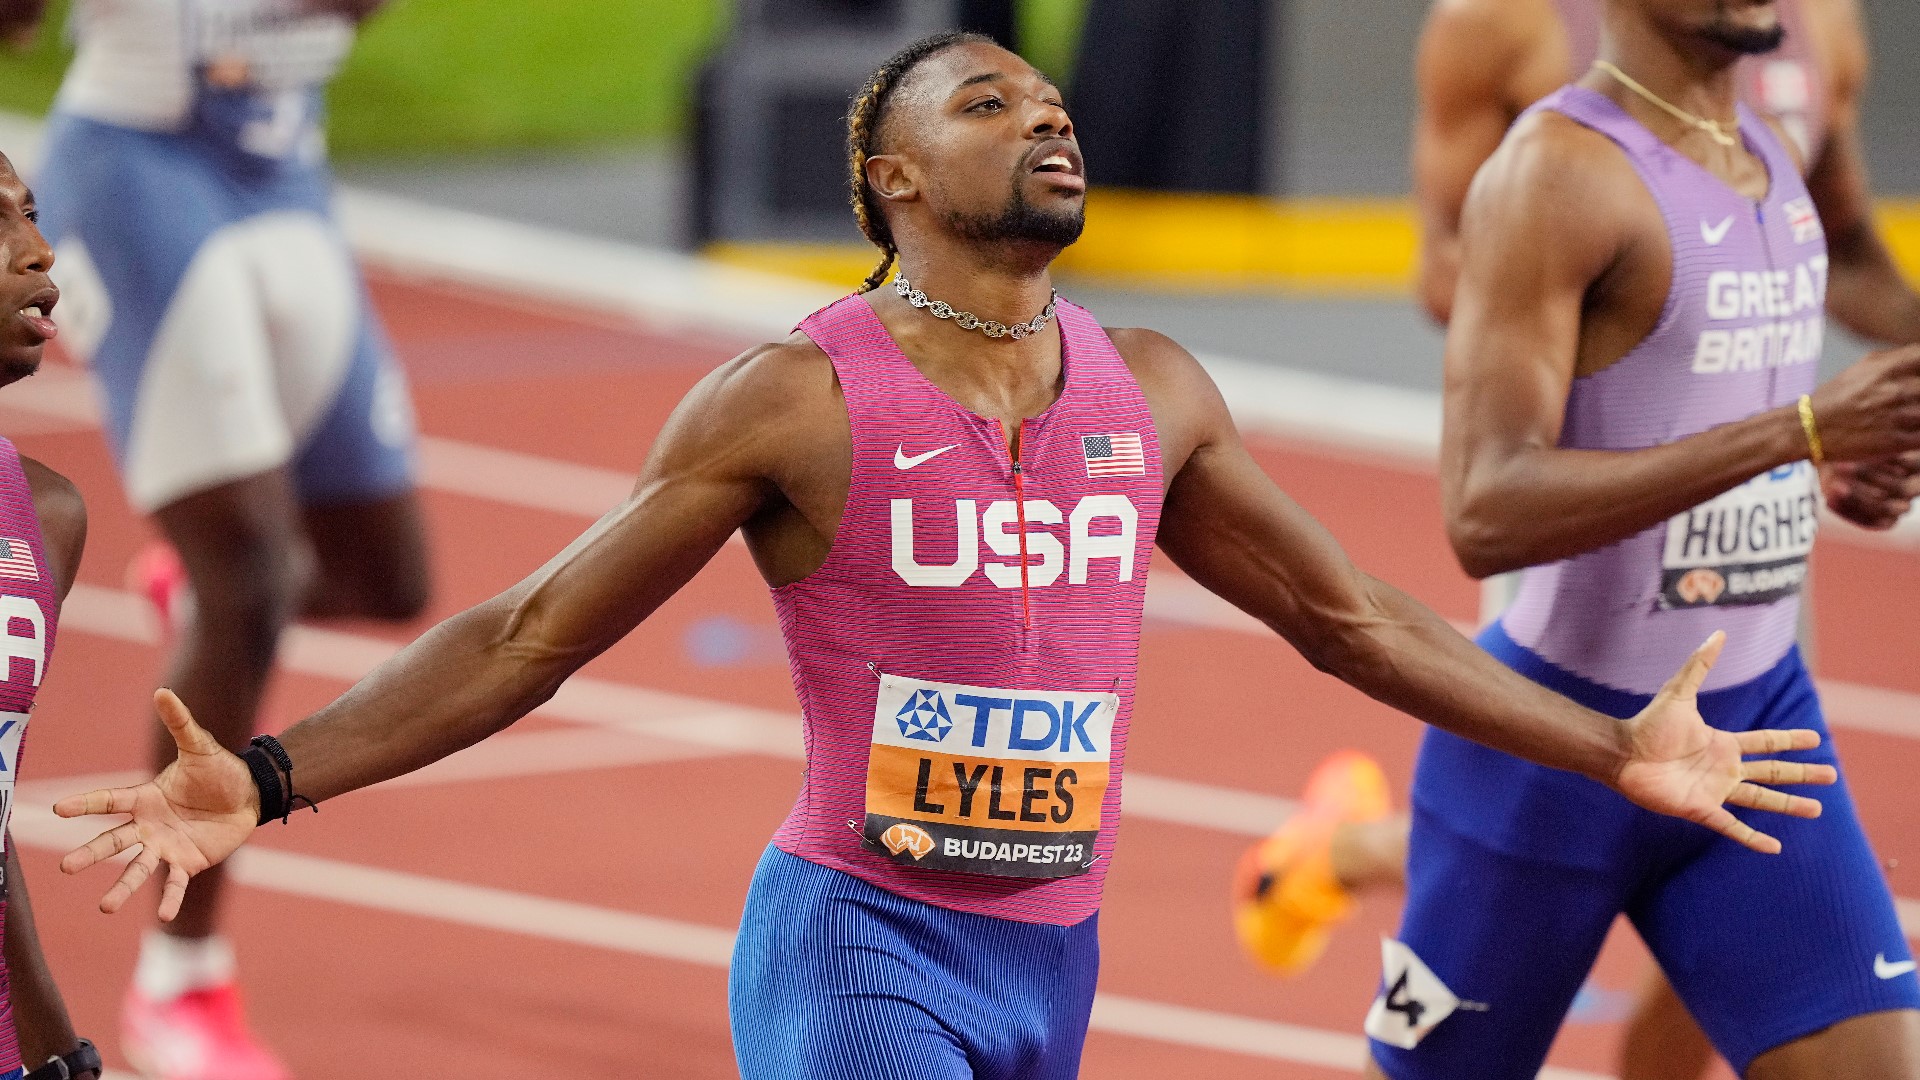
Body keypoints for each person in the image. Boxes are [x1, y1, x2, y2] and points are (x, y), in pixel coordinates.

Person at [53, 33, 1836, 1080]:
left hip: (1049, 965)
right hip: (858, 949)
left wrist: (1613, 747)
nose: (1045, 115)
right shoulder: (793, 401)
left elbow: (1351, 618)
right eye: (987, 105)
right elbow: (528, 633)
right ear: (889, 177)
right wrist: (269, 779)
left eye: (1052, 102)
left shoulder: (1153, 393)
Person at [1240, 0, 1920, 1073]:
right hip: (1554, 746)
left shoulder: (1774, 153)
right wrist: (1797, 430)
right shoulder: (1554, 172)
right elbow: (1484, 510)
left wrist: (1835, 456)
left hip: (1759, 728)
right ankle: (1344, 853)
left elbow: (1744, 377)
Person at [0, 1, 431, 1076]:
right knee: (251, 575)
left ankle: (202, 601)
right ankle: (177, 986)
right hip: (143, 172)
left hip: (283, 163)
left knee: (388, 577)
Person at [0, 149, 107, 1080]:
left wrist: (55, 1054)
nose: (38, 252)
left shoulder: (46, 516)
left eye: (29, 214)